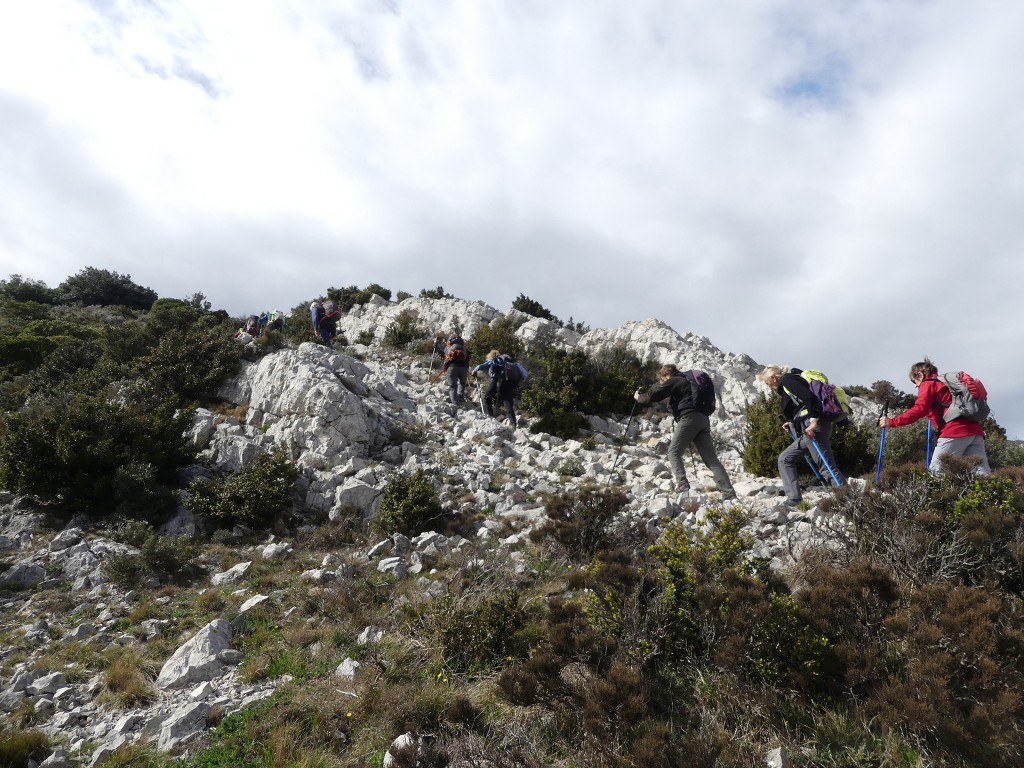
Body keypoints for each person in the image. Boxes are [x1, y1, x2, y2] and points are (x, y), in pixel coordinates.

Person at [634, 364, 736, 499]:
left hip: (689, 418)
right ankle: (729, 493)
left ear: (666, 374)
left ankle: (682, 484)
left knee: (673, 452)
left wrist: (639, 396)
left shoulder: (675, 380)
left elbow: (655, 395)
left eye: (662, 379)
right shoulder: (687, 381)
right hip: (703, 419)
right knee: (711, 458)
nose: (663, 382)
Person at [879, 358, 990, 476]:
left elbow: (919, 409)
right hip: (976, 433)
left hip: (953, 433)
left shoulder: (928, 383)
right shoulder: (947, 384)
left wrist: (892, 422)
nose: (916, 386)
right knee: (982, 474)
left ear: (920, 375)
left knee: (937, 474)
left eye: (914, 382)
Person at [756, 365, 846, 506]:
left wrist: (814, 422)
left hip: (814, 427)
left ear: (773, 378)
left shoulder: (788, 381)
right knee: (784, 459)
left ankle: (850, 499)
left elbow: (809, 399)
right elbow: (801, 409)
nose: (769, 387)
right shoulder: (787, 386)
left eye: (768, 383)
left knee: (826, 467)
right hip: (808, 429)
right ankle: (794, 499)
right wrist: (791, 424)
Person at [472, 350, 518, 428]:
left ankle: (489, 417)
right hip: (510, 381)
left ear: (491, 356)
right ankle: (513, 423)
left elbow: (480, 366)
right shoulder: (506, 361)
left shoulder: (495, 359)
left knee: (487, 397)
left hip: (498, 379)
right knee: (507, 401)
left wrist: (474, 371)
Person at [442, 334, 470, 407]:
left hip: (452, 368)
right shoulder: (463, 348)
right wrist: (467, 368)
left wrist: (444, 367)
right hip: (463, 368)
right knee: (462, 383)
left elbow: (446, 357)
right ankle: (460, 397)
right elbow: (467, 358)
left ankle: (455, 405)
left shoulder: (449, 347)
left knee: (453, 387)